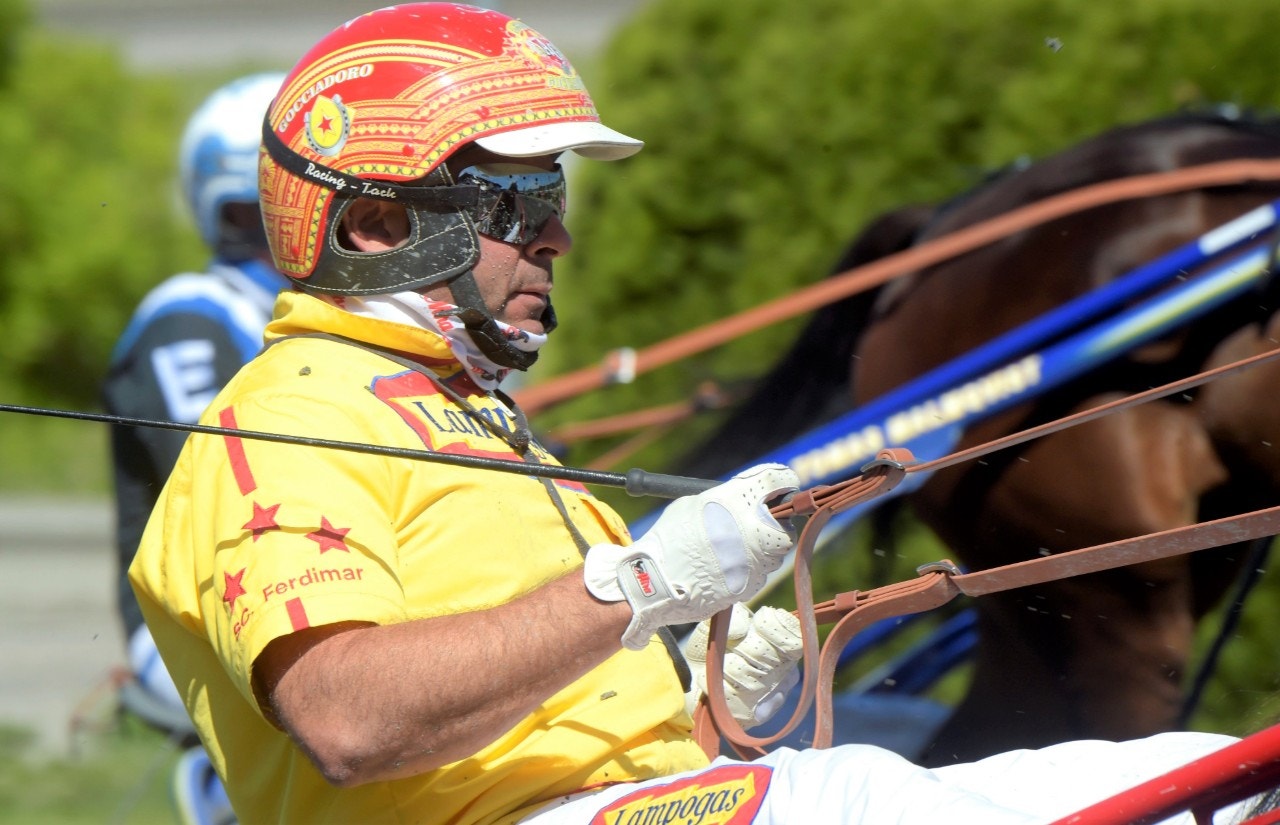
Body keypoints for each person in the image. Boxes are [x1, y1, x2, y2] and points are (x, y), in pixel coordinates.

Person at [127, 5, 1258, 824]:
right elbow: (349, 723)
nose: (556, 238)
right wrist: (645, 584)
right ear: (377, 225)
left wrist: (700, 699)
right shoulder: (277, 426)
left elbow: (535, 726)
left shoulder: (465, 416)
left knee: (1193, 777)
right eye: (519, 204)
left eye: (556, 202)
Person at [103, 71, 287, 825]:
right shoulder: (189, 318)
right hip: (192, 620)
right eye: (263, 211)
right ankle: (223, 800)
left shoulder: (310, 323)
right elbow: (227, 491)